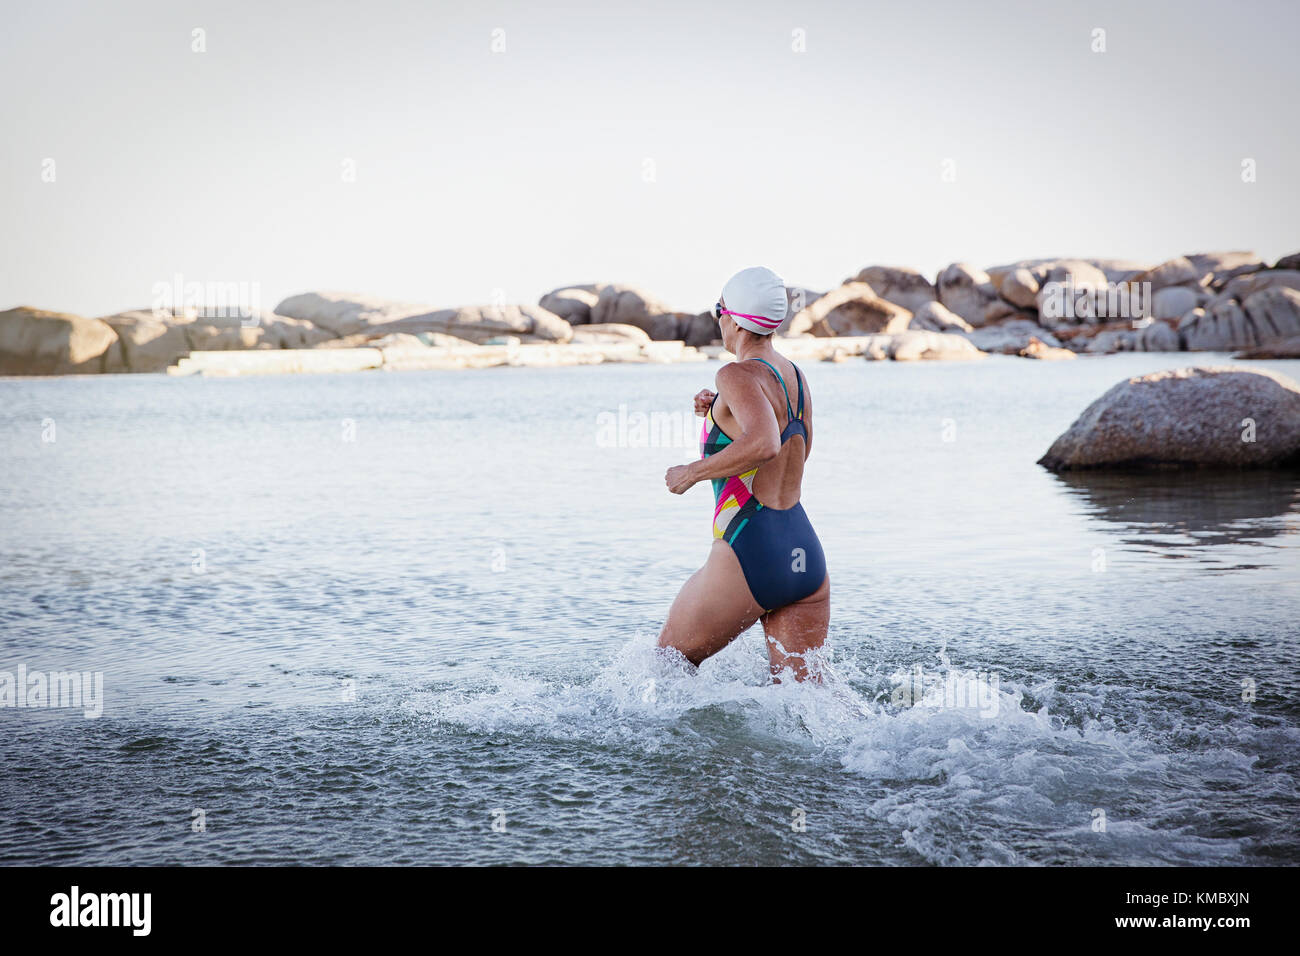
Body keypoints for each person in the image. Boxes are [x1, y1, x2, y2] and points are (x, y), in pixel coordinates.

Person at [658, 266, 829, 682]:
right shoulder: (794, 376)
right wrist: (721, 408)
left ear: (732, 318)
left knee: (665, 669)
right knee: (808, 707)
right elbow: (788, 443)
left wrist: (691, 472)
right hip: (803, 553)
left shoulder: (734, 374)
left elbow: (764, 443)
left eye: (719, 308)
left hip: (750, 546)